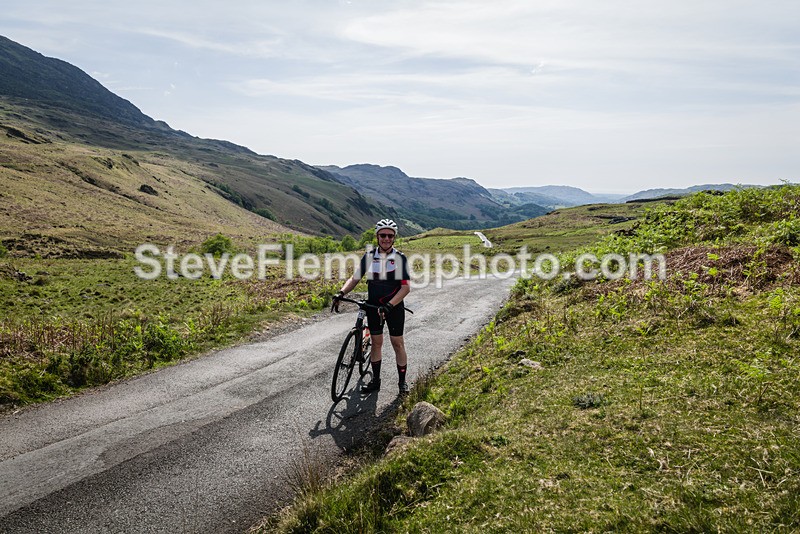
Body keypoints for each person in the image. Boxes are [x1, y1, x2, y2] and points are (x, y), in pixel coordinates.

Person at [332, 219, 411, 394]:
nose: (386, 239)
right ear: (377, 236)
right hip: (374, 306)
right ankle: (375, 380)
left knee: (397, 343)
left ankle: (402, 383)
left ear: (394, 238)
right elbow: (354, 279)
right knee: (376, 343)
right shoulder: (369, 257)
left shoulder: (399, 258)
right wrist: (341, 293)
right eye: (383, 235)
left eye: (390, 236)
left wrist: (390, 306)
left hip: (394, 307)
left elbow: (405, 288)